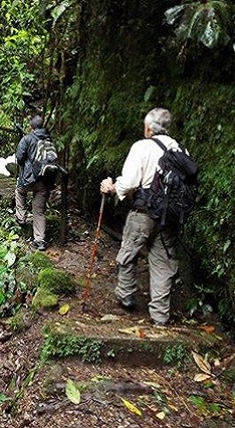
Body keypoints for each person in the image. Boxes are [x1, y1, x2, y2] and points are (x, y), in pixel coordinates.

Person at [100, 107, 182, 326]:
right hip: (169, 217)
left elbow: (128, 183)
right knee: (163, 264)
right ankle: (160, 315)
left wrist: (112, 188)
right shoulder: (179, 149)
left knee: (128, 253)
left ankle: (126, 297)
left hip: (143, 213)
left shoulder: (142, 147)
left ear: (148, 128)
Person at [14, 115, 53, 251]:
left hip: (29, 179)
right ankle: (40, 240)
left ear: (31, 127)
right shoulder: (49, 140)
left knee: (19, 191)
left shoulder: (27, 139)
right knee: (39, 210)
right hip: (45, 181)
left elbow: (19, 158)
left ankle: (21, 217)